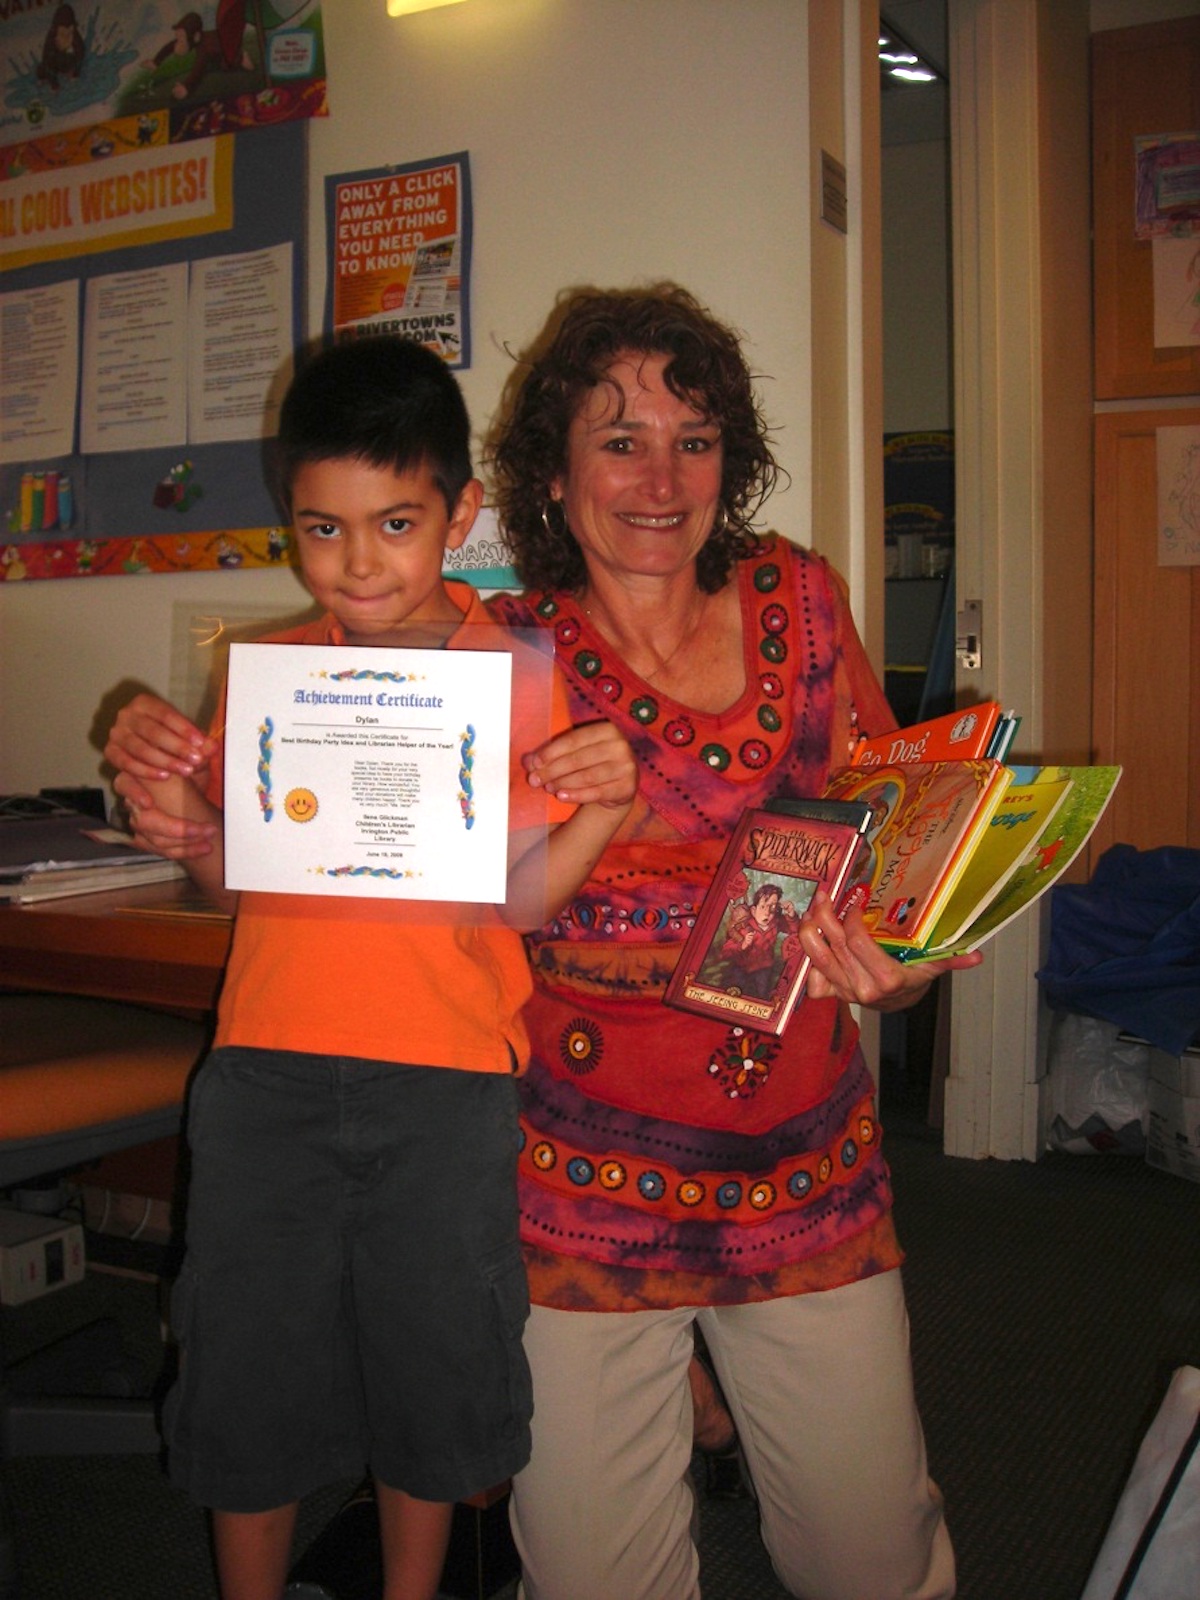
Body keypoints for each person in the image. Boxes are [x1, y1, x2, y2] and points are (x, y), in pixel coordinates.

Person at [103, 335, 637, 1600]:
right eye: (321, 528)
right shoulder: (274, 674)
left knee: (435, 1370)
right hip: (269, 1072)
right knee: (245, 1362)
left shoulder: (509, 678)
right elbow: (247, 880)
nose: (358, 563)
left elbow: (512, 897)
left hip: (444, 1082)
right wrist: (184, 829)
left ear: (457, 512)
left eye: (394, 523)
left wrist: (604, 811)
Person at [479, 283, 984, 1600]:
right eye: (618, 437)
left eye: (694, 439)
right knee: (594, 1583)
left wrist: (909, 957)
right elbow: (471, 913)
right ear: (553, 469)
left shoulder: (799, 603)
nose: (660, 477)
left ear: (731, 461)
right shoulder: (502, 654)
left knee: (875, 1560)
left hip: (799, 1163)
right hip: (579, 1185)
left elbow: (882, 838)